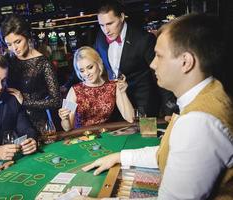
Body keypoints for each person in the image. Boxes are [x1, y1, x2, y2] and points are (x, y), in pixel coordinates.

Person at [80, 14, 233, 199]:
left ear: (186, 62)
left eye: (159, 56)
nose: (152, 64)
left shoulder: (198, 122)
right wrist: (119, 157)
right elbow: (168, 152)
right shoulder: (208, 92)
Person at [95, 0, 177, 118]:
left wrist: (170, 109)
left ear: (122, 17)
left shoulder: (143, 39)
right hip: (118, 101)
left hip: (143, 100)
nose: (106, 30)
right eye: (102, 25)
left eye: (110, 23)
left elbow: (161, 73)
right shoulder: (100, 38)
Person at [58, 46, 134, 132]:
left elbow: (131, 119)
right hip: (81, 138)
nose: (86, 74)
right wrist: (65, 119)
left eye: (90, 67)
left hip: (105, 135)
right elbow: (67, 128)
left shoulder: (113, 86)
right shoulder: (74, 90)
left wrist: (123, 92)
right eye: (82, 71)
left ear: (98, 64)